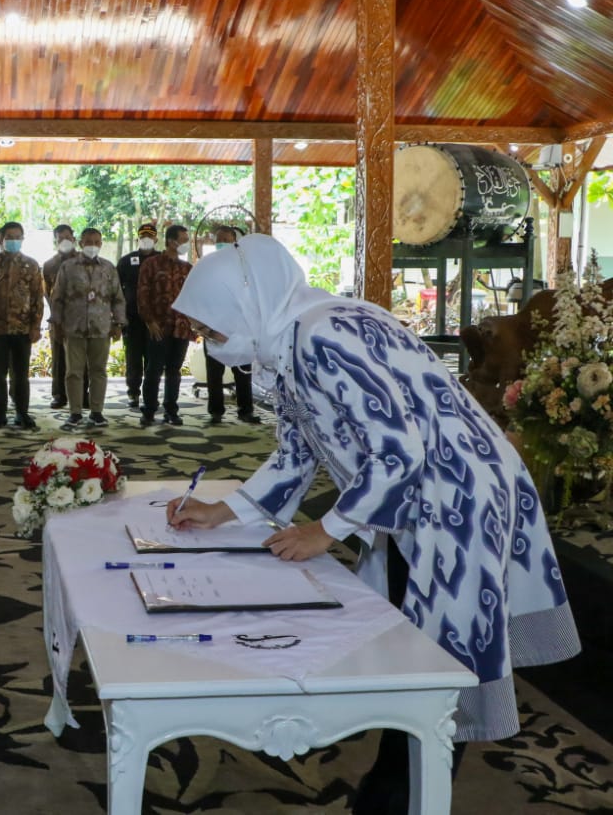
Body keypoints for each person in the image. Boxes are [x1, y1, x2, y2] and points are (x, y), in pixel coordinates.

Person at [166, 234, 580, 815]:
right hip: (421, 500)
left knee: (438, 669)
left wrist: (327, 530)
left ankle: (403, 797)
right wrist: (226, 509)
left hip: (459, 499)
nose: (208, 341)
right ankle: (395, 789)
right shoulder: (291, 340)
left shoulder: (323, 334)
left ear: (247, 302)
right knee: (412, 651)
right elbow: (297, 452)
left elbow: (399, 450)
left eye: (211, 327)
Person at [50, 227, 124, 428]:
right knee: (73, 371)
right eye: (88, 241)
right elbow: (57, 298)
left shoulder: (109, 268)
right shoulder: (68, 267)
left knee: (98, 371)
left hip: (101, 328)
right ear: (81, 244)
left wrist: (118, 323)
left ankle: (97, 412)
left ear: (100, 244)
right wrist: (56, 324)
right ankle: (75, 412)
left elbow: (117, 298)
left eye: (96, 242)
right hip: (73, 328)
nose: (92, 245)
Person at [0, 221, 44, 430]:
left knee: (21, 375)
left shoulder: (32, 265)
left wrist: (36, 325)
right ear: (1, 240)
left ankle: (22, 412)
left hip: (22, 329)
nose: (13, 241)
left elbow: (37, 298)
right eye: (9, 237)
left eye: (17, 237)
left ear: (23, 239)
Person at [137, 223, 193, 426]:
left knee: (174, 371)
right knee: (153, 370)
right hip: (158, 326)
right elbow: (142, 296)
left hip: (181, 327)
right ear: (171, 241)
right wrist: (149, 321)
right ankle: (149, 410)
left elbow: (193, 298)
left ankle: (171, 410)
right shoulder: (151, 264)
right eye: (184, 240)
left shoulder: (187, 268)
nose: (186, 244)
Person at [202, 226, 258, 425]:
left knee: (243, 372)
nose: (221, 243)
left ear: (235, 241)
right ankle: (215, 411)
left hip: (239, 328)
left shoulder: (244, 265)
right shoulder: (206, 265)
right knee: (214, 374)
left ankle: (246, 410)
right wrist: (207, 328)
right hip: (214, 326)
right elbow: (201, 297)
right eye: (218, 239)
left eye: (226, 239)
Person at [42, 224, 87, 410]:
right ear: (56, 241)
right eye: (61, 238)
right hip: (59, 319)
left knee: (82, 359)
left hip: (82, 318)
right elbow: (46, 292)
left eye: (68, 237)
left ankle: (83, 395)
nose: (65, 241)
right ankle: (59, 395)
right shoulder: (49, 265)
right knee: (59, 359)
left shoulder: (84, 261)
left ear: (74, 239)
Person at [116, 222, 158, 409]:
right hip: (132, 319)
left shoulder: (162, 260)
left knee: (153, 359)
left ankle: (151, 395)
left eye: (150, 237)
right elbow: (116, 291)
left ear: (156, 239)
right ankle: (133, 392)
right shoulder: (126, 261)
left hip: (155, 321)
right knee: (133, 358)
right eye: (143, 237)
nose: (146, 240)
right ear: (137, 239)